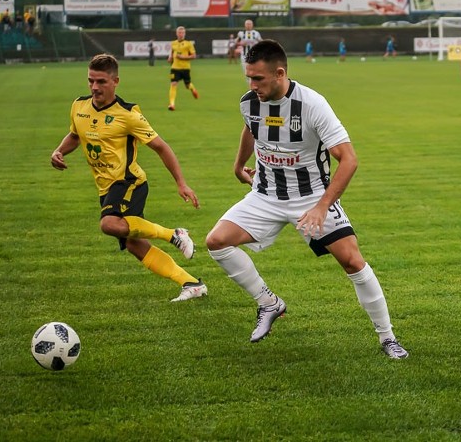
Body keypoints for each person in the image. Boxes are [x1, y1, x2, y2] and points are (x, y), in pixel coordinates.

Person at [205, 39, 409, 359]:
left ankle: (388, 338)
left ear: (280, 73)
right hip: (266, 194)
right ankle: (269, 303)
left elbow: (349, 159)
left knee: (352, 261)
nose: (252, 84)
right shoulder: (250, 102)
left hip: (311, 196)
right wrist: (236, 165)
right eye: (249, 77)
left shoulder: (312, 104)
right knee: (217, 241)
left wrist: (321, 207)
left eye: (258, 78)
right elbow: (251, 128)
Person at [50, 53, 207, 302]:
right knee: (135, 245)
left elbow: (161, 147)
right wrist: (58, 151)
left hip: (128, 183)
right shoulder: (78, 106)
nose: (94, 87)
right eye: (91, 80)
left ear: (115, 82)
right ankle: (191, 283)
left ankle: (173, 234)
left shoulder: (128, 114)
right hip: (105, 188)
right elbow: (74, 135)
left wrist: (181, 183)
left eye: (101, 81)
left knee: (109, 224)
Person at [167, 26, 199, 111]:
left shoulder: (188, 44)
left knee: (187, 85)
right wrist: (170, 58)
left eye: (182, 33)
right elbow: (172, 52)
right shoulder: (173, 43)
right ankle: (172, 104)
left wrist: (182, 57)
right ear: (176, 33)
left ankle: (193, 89)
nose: (181, 34)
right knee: (173, 84)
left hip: (185, 68)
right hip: (175, 68)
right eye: (179, 32)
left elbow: (193, 56)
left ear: (184, 34)